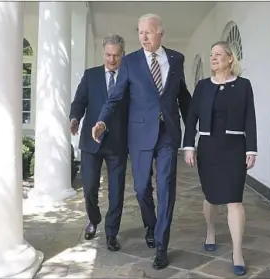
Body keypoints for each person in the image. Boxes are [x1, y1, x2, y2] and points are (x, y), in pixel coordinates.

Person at [92, 13, 191, 270]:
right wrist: (102, 122)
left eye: (148, 32)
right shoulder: (130, 62)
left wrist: (193, 129)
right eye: (140, 32)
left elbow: (182, 96)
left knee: (166, 188)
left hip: (167, 133)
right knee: (141, 189)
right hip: (139, 135)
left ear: (160, 33)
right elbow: (114, 98)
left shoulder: (176, 59)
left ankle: (161, 244)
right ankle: (151, 223)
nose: (143, 37)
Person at [183, 41, 257, 276]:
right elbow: (191, 117)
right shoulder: (203, 86)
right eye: (211, 54)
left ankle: (237, 252)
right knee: (211, 197)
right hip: (209, 148)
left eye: (218, 54)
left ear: (230, 58)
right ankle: (211, 230)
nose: (213, 58)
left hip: (235, 148)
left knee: (235, 200)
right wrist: (188, 146)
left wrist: (251, 149)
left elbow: (250, 118)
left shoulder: (243, 86)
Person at [69, 34, 128, 252]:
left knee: (117, 191)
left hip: (118, 143)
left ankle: (112, 233)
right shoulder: (91, 75)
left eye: (116, 55)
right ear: (103, 53)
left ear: (123, 54)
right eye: (108, 55)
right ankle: (93, 220)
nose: (112, 59)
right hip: (90, 143)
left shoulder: (128, 77)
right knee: (90, 187)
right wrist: (74, 118)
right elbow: (79, 102)